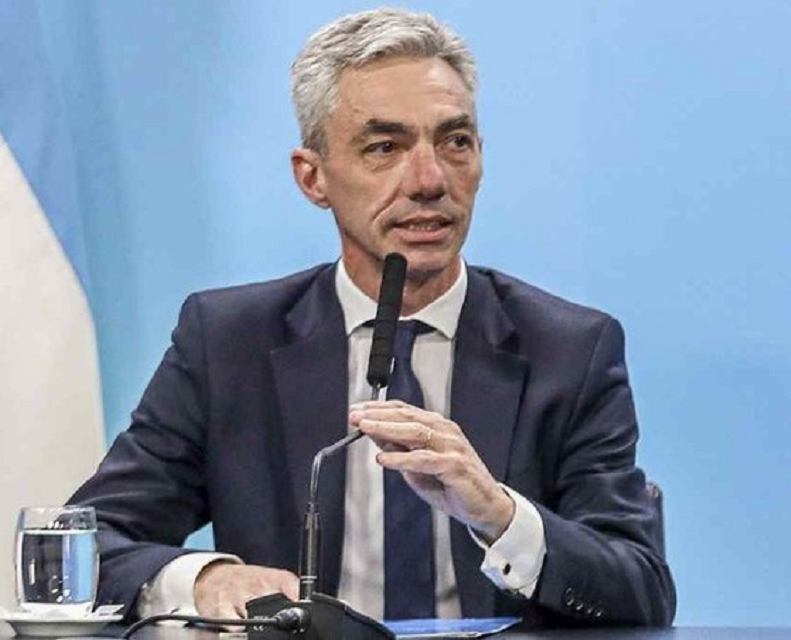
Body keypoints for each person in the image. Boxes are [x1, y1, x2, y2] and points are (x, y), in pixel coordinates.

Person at [69, 7, 676, 629]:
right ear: (313, 178)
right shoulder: (228, 343)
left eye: (455, 142)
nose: (429, 180)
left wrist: (499, 514)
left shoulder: (569, 350)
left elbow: (642, 586)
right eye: (385, 147)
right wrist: (205, 579)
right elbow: (86, 548)